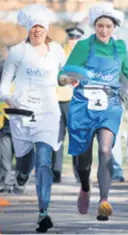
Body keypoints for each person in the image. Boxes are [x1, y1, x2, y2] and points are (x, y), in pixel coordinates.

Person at [58, 3, 128, 221]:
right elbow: (64, 73)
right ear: (94, 26)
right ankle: (85, 188)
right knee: (84, 158)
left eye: (108, 26)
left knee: (106, 150)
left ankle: (104, 201)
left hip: (110, 104)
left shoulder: (120, 47)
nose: (104, 30)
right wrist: (65, 79)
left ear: (114, 27)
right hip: (83, 105)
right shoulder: (83, 46)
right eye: (100, 26)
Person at [0, 4, 66, 232]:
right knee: (25, 161)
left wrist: (70, 80)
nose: (38, 30)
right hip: (22, 113)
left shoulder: (57, 50)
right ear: (28, 28)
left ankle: (43, 212)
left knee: (44, 160)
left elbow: (64, 75)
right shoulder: (18, 51)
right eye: (34, 26)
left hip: (48, 112)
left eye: (42, 26)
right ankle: (22, 174)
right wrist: (10, 100)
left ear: (47, 29)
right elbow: (3, 87)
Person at [52, 26, 84, 183]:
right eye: (71, 38)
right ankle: (55, 171)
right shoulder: (59, 53)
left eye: (77, 38)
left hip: (77, 101)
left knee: (76, 137)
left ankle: (79, 172)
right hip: (58, 99)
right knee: (56, 137)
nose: (73, 41)